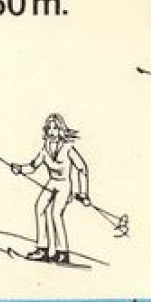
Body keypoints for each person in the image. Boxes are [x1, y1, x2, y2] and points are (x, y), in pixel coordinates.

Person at [11, 113, 91, 265]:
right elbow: (33, 166)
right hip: (51, 182)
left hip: (64, 184)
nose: (52, 131)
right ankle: (43, 249)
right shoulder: (45, 149)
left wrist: (83, 193)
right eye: (49, 128)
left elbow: (82, 168)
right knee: (40, 208)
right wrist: (20, 169)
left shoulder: (68, 148)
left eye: (55, 128)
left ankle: (62, 252)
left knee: (55, 213)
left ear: (61, 130)